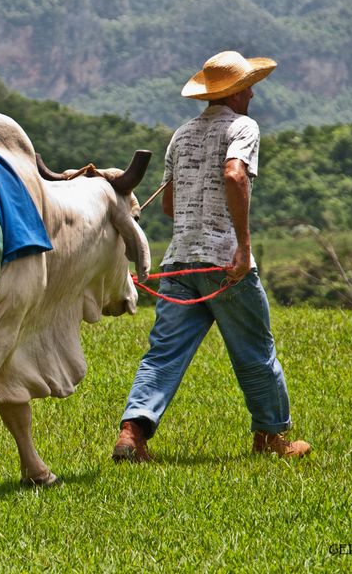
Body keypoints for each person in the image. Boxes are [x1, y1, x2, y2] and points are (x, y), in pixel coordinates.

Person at [113, 50, 310, 462]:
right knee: (256, 352)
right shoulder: (244, 126)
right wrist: (243, 246)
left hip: (179, 261)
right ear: (236, 92)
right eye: (248, 87)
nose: (253, 95)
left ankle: (132, 434)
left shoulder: (181, 134)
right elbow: (234, 174)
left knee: (163, 353)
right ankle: (272, 438)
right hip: (224, 264)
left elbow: (168, 205)